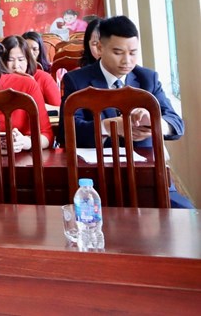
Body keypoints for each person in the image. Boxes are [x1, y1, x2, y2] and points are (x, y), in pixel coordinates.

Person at [59, 16, 189, 208]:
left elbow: (176, 125)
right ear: (99, 48)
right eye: (118, 52)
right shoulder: (77, 81)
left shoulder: (147, 79)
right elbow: (66, 132)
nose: (127, 61)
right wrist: (109, 126)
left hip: (147, 174)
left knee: (188, 215)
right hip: (96, 179)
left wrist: (154, 122)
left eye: (133, 53)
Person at [0, 35, 61, 109]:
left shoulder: (43, 77)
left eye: (21, 60)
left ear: (28, 60)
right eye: (10, 60)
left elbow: (58, 108)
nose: (16, 66)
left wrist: (33, 88)